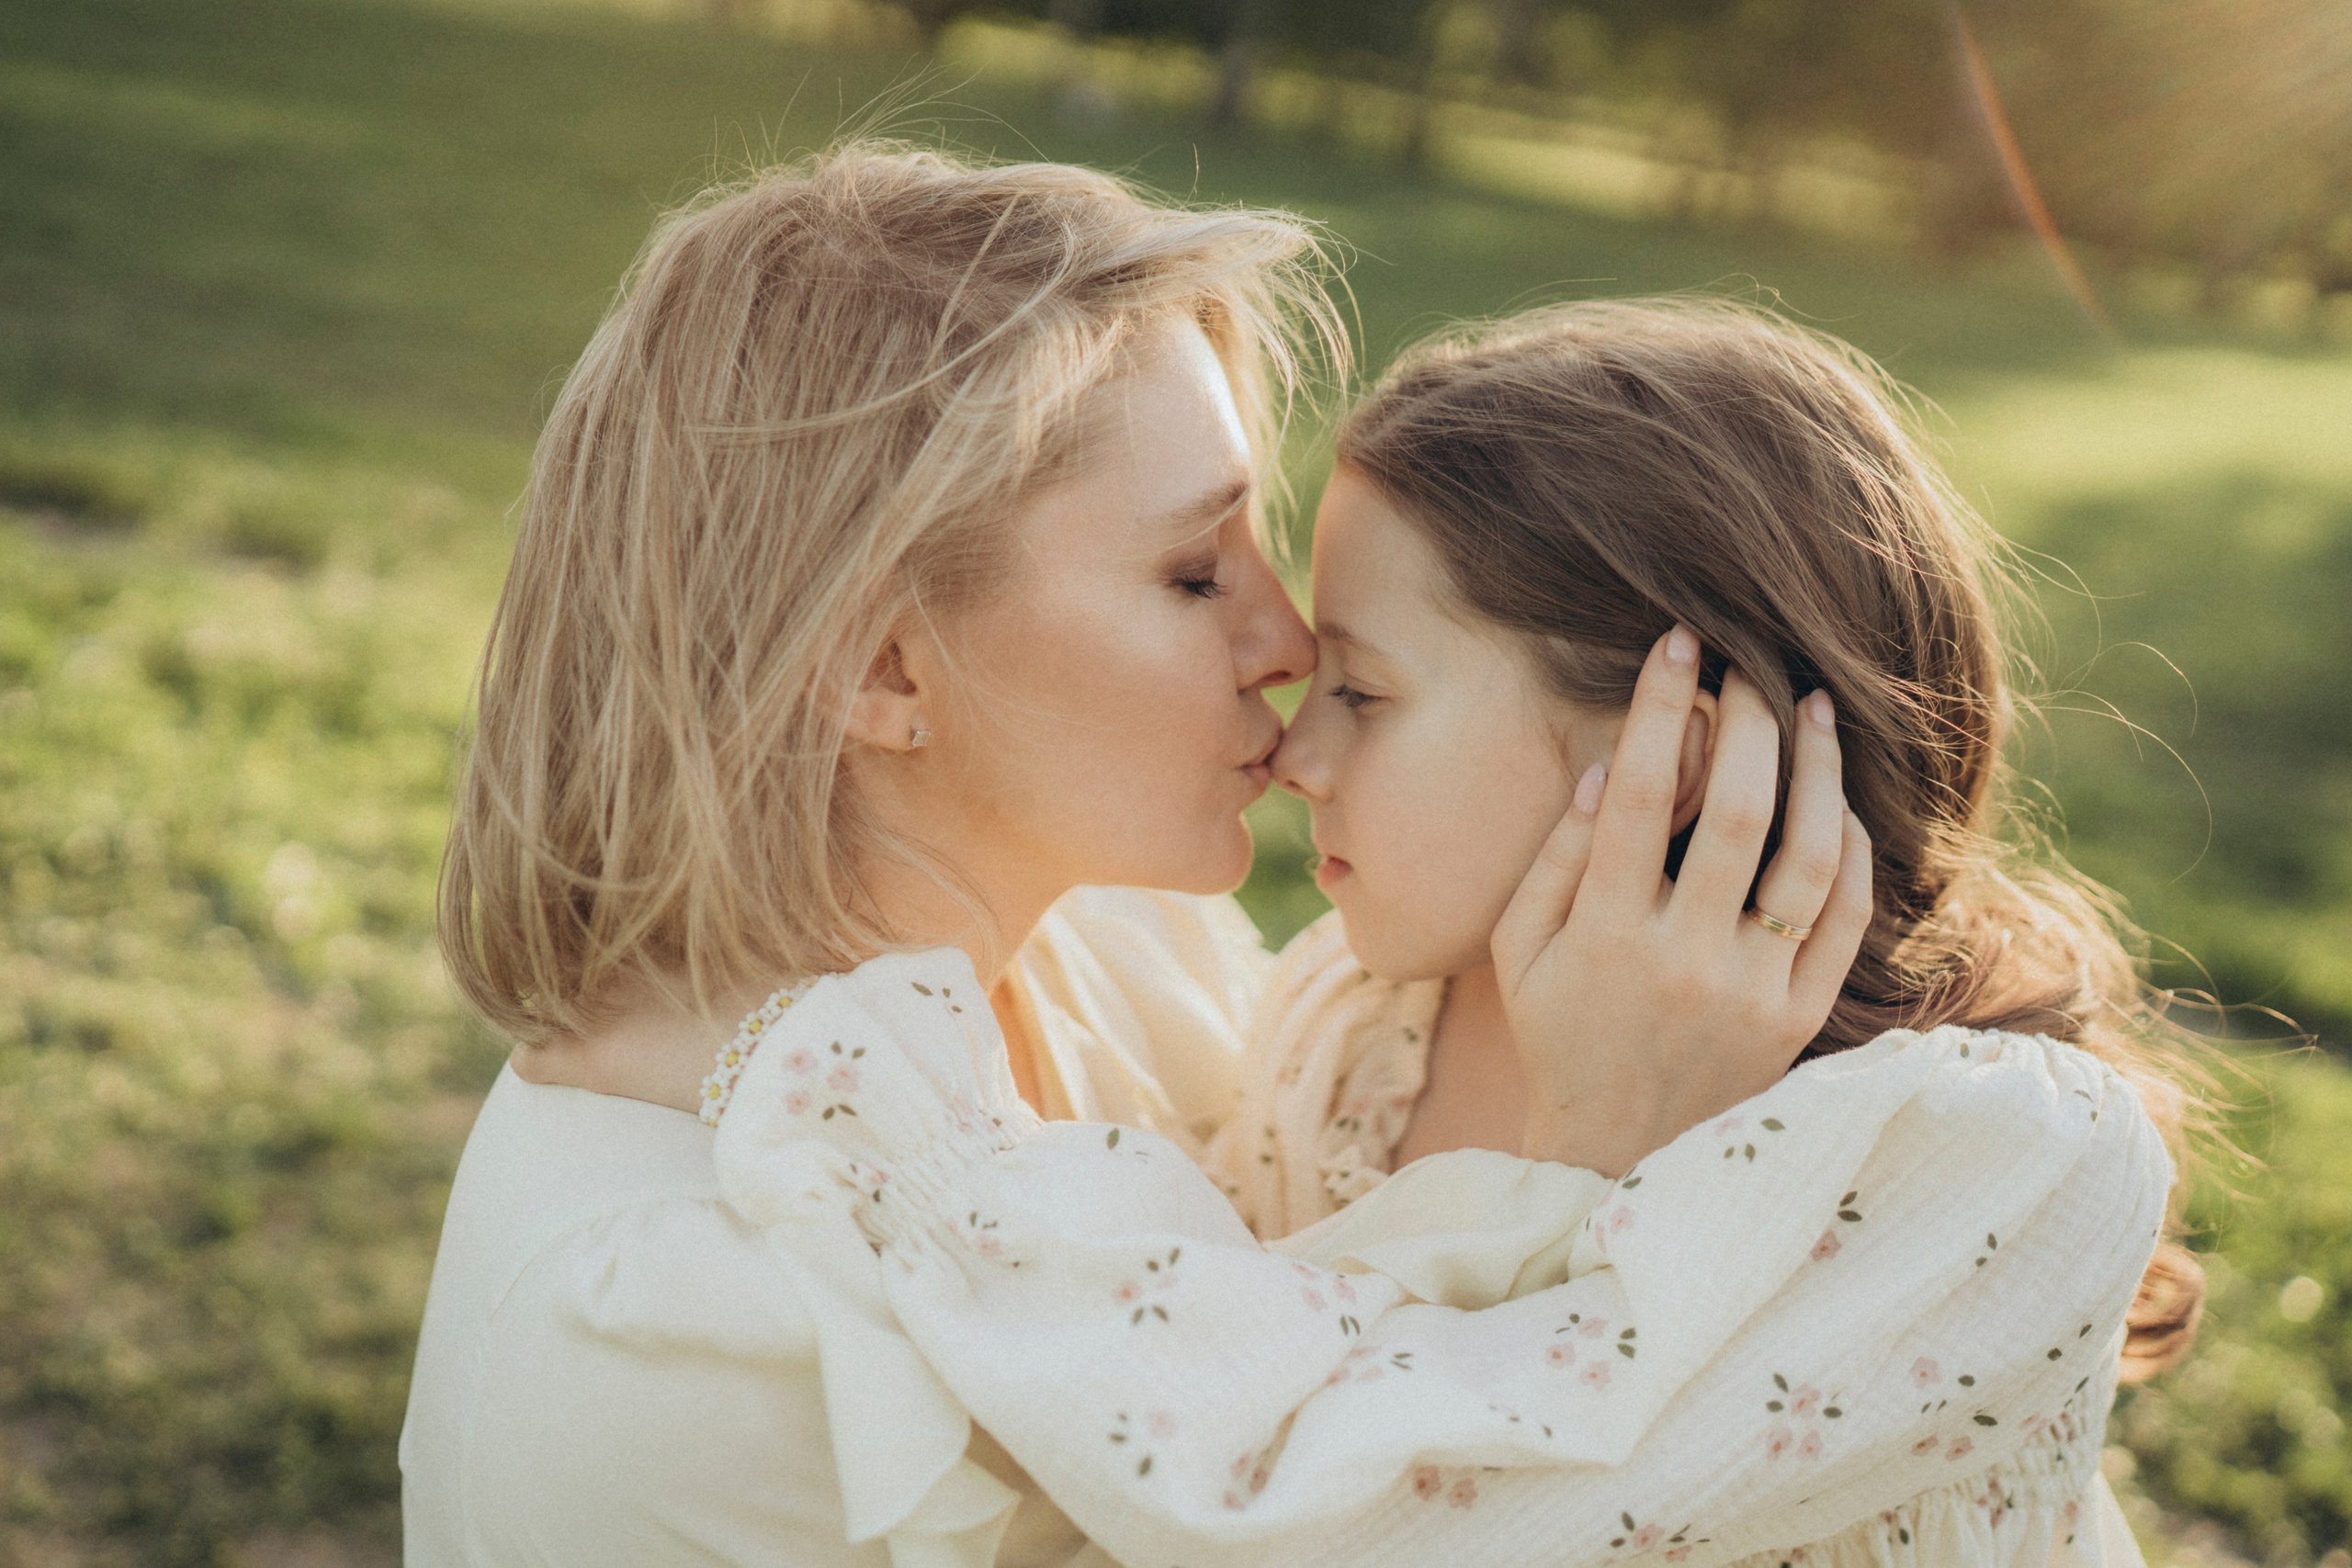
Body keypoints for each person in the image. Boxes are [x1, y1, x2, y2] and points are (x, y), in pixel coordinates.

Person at [400, 142, 2166, 1568]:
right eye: (1193, 573)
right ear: (886, 670)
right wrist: (1583, 1168)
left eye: (1268, 558)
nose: (1285, 649)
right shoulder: (675, 1344)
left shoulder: (1131, 972)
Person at [1205, 299, 2219, 1558]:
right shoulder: (1346, 1031)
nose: (1294, 754)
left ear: (1672, 760)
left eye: (1361, 690)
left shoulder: (1989, 1159)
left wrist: (1592, 1164)